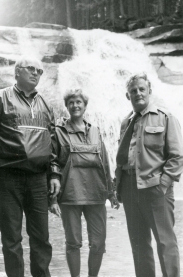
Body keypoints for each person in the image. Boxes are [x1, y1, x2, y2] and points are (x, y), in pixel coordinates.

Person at [0, 56, 61, 277]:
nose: (36, 73)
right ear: (17, 72)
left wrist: (54, 174)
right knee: (11, 239)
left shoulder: (45, 104)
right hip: (9, 177)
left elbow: (52, 141)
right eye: (31, 69)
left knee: (41, 238)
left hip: (38, 179)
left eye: (39, 70)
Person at [114, 73, 183, 277]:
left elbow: (177, 156)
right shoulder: (125, 123)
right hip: (129, 188)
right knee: (138, 244)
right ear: (128, 96)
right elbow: (123, 157)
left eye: (142, 89)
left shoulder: (165, 117)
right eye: (133, 91)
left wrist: (163, 184)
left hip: (156, 189)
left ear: (149, 91)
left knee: (165, 243)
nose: (138, 93)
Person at [50, 89, 118, 277]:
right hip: (70, 194)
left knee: (98, 243)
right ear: (67, 106)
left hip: (96, 194)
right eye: (71, 102)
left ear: (85, 105)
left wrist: (111, 193)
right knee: (73, 243)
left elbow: (105, 163)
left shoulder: (96, 131)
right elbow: (52, 162)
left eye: (79, 102)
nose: (75, 105)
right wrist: (53, 199)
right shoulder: (58, 131)